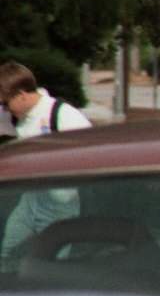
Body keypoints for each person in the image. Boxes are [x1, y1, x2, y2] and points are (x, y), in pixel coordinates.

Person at [0, 61, 92, 268]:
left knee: (52, 265)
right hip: (30, 202)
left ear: (22, 95)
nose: (4, 109)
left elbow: (94, 149)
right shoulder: (15, 116)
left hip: (60, 206)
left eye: (6, 103)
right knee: (7, 255)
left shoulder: (63, 116)